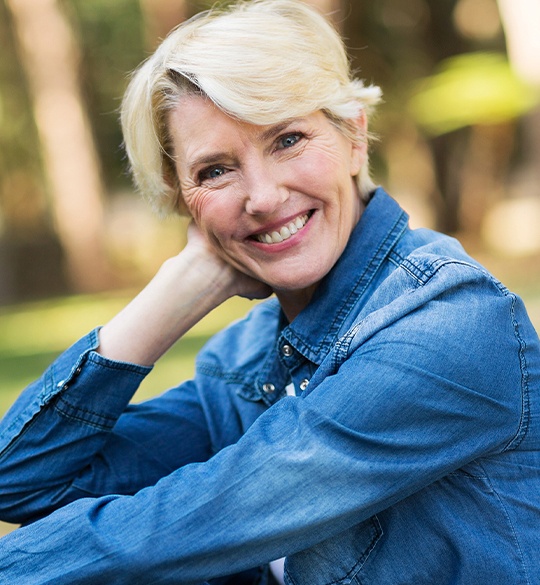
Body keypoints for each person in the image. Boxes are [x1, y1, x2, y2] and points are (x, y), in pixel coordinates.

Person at [0, 0, 539, 583]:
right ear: (180, 196)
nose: (261, 196)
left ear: (354, 135)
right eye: (214, 171)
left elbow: (167, 532)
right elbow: (22, 481)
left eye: (287, 139)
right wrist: (177, 288)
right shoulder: (244, 360)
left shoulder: (451, 326)